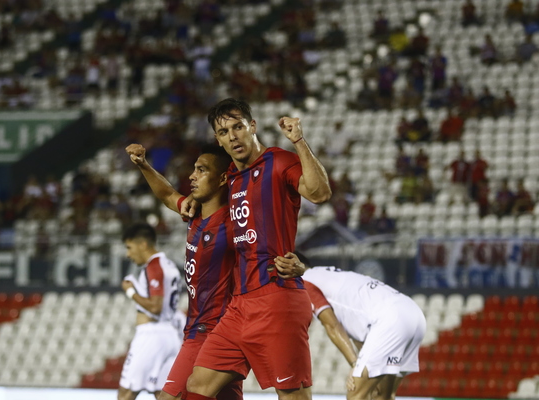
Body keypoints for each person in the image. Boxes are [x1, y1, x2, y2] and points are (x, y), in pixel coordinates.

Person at [183, 98, 332, 400]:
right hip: (240, 306)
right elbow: (209, 197)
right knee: (199, 385)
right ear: (218, 140)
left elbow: (319, 193)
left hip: (276, 298)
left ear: (252, 127)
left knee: (292, 396)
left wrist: (299, 142)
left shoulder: (278, 160)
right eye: (224, 132)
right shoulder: (232, 179)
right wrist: (195, 199)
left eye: (238, 127)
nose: (233, 136)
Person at [125, 143, 243, 400]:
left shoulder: (233, 224)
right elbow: (167, 195)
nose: (192, 176)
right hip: (198, 328)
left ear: (223, 178)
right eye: (194, 169)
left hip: (212, 331)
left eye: (201, 170)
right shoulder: (194, 213)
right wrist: (144, 165)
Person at [274, 252, 426, 400]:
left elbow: (332, 326)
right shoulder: (331, 275)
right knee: (383, 395)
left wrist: (354, 364)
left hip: (390, 319)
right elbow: (359, 330)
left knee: (356, 394)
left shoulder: (305, 281)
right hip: (413, 314)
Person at [119, 223, 182, 400]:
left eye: (129, 247)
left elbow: (155, 306)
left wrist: (130, 291)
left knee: (126, 393)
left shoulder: (154, 266)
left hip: (152, 335)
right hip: (170, 335)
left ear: (143, 244)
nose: (128, 254)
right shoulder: (169, 265)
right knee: (164, 395)